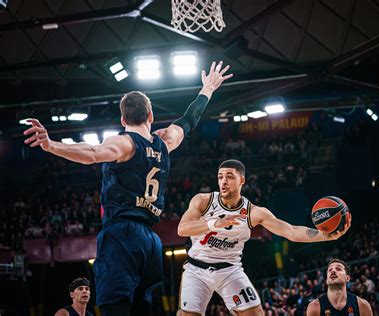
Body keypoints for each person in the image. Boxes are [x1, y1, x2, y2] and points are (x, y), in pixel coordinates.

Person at [23, 61, 233, 316]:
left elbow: (91, 153)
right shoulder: (165, 141)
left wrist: (51, 145)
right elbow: (188, 120)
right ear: (151, 116)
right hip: (150, 240)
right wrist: (207, 89)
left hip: (121, 234)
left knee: (115, 308)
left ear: (123, 119)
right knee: (141, 308)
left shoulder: (123, 143)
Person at [177, 159, 352, 315]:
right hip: (196, 269)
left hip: (229, 270)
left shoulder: (253, 212)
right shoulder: (203, 201)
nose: (223, 181)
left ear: (242, 180)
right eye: (220, 176)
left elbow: (291, 232)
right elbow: (182, 229)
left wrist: (326, 236)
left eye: (229, 176)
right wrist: (214, 224)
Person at [306, 259, 372, 316]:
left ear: (347, 278)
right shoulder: (315, 307)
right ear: (326, 280)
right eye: (330, 270)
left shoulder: (362, 305)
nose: (333, 271)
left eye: (338, 269)